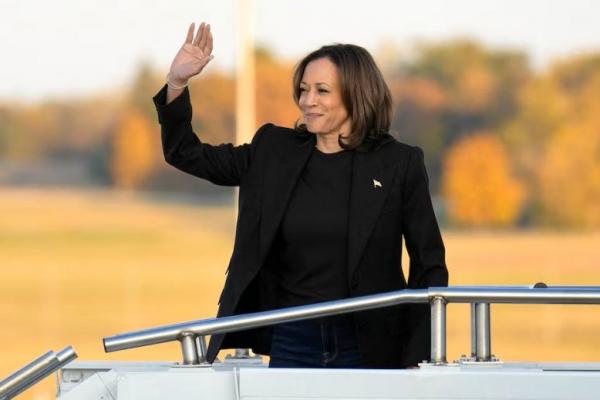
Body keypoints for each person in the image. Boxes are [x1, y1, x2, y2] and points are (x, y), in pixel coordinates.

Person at [153, 22, 448, 369]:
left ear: (357, 94)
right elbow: (185, 153)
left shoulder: (399, 163)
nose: (307, 101)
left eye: (322, 91)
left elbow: (429, 266)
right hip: (293, 338)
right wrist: (177, 82)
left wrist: (417, 356)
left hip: (370, 343)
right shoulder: (273, 150)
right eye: (304, 89)